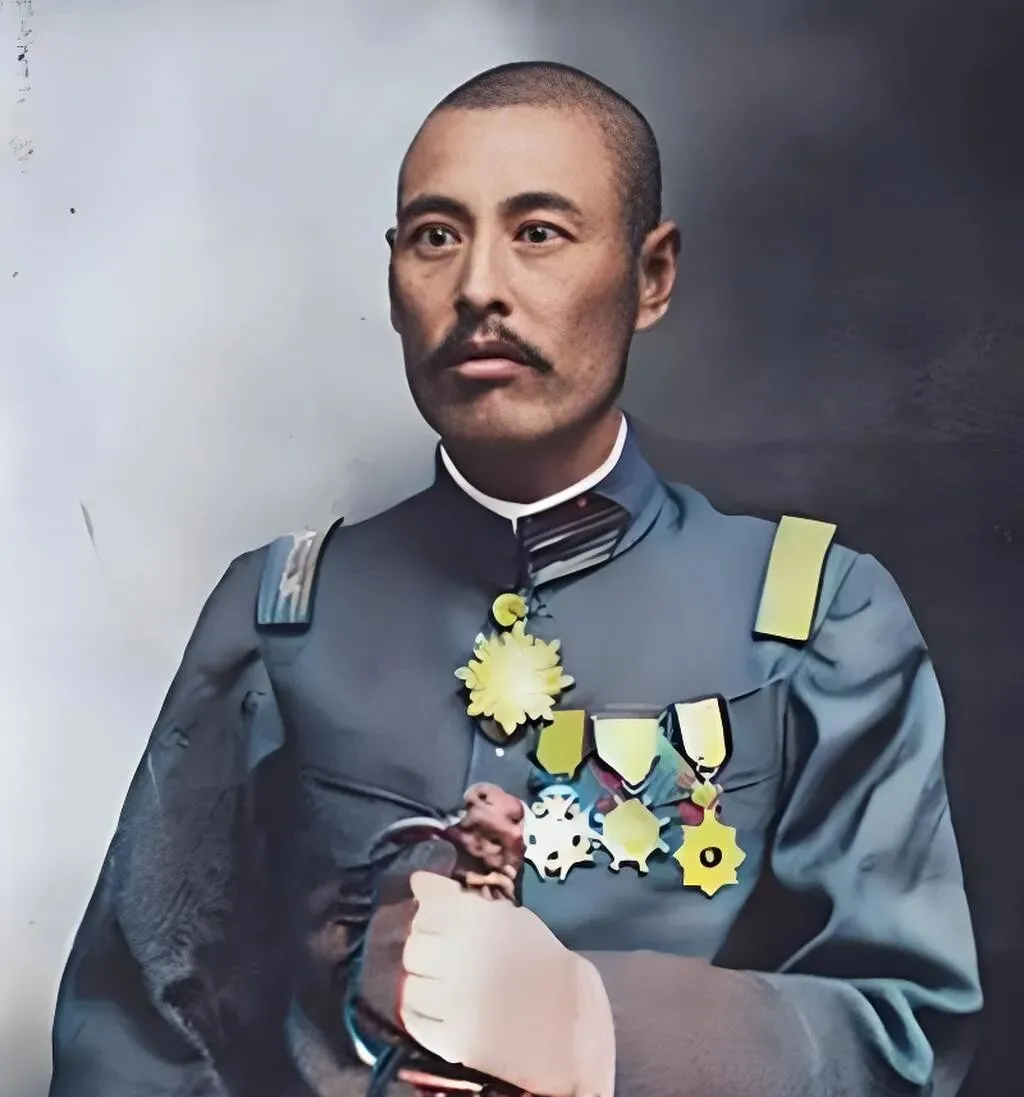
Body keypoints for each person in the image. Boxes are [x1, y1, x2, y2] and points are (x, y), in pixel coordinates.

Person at [49, 61, 982, 1097]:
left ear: (652, 275)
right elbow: (135, 1040)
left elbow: (904, 1034)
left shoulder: (814, 615)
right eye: (435, 236)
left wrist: (597, 1026)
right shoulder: (280, 618)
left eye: (538, 231)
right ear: (393, 280)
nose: (478, 287)